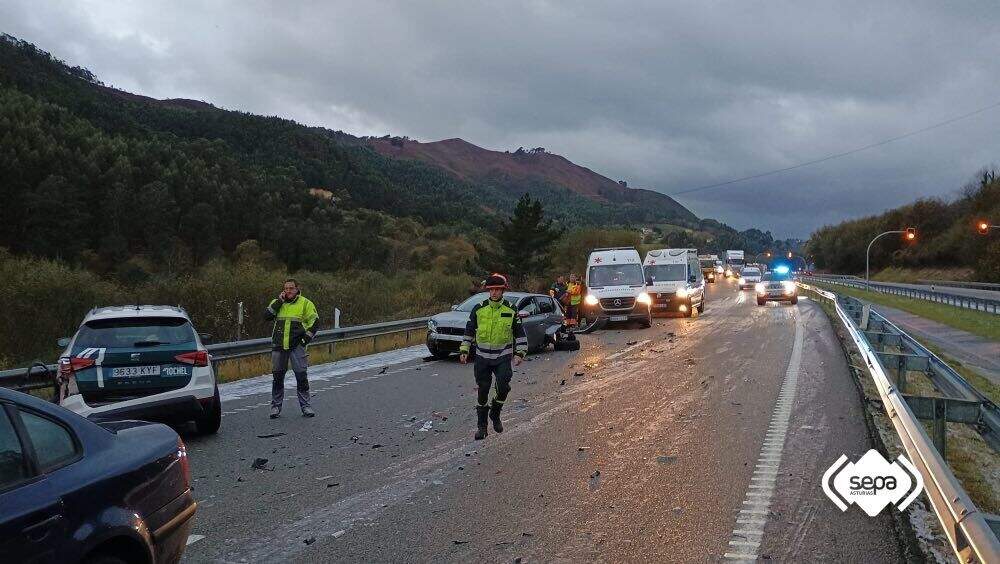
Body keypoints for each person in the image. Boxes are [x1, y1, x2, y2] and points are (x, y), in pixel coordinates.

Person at [459, 273, 527, 440]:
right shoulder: (479, 309)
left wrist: (520, 353)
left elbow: (519, 334)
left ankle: (495, 412)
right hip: (482, 358)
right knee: (483, 390)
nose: (494, 292)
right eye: (492, 290)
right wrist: (464, 349)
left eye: (498, 289)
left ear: (503, 291)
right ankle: (482, 427)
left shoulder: (511, 309)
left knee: (503, 387)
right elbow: (469, 330)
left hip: (502, 357)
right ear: (488, 291)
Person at [265, 278, 319, 418]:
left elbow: (315, 322)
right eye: (286, 288)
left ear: (297, 289)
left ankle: (306, 406)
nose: (288, 291)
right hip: (279, 345)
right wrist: (279, 302)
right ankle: (275, 407)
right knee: (277, 377)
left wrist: (304, 340)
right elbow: (267, 316)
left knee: (301, 376)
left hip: (297, 346)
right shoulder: (277, 302)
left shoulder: (305, 303)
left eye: (291, 288)